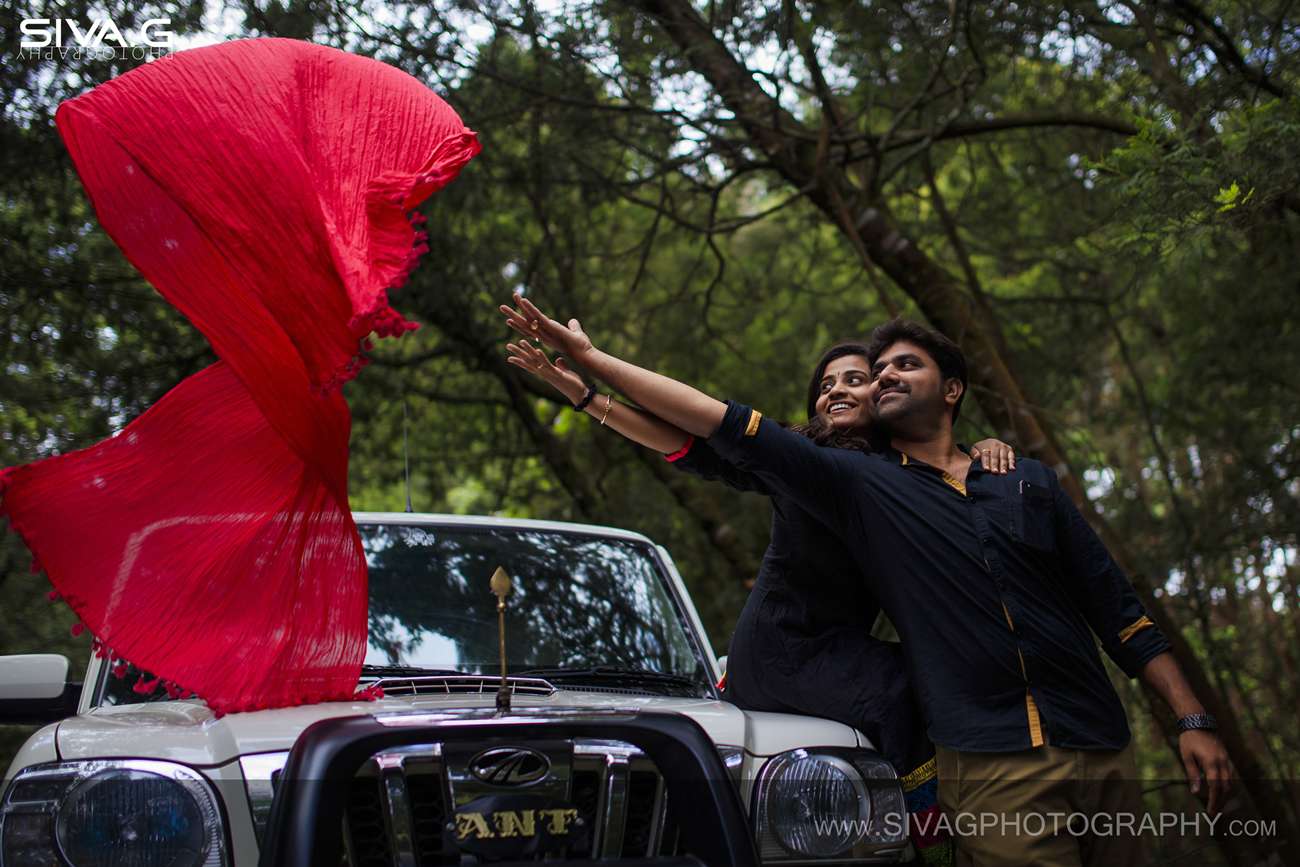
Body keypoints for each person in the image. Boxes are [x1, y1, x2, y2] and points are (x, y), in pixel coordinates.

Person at [501, 295, 1232, 867]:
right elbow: (706, 434)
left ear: (949, 391)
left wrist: (1190, 718)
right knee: (899, 686)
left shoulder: (982, 480)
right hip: (870, 693)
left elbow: (1114, 604)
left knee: (904, 678)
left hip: (1087, 737)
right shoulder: (835, 474)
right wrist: (593, 374)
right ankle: (927, 826)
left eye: (878, 374)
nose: (861, 384)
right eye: (841, 381)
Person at [503, 332, 1012, 863]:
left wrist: (982, 450)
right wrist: (587, 394)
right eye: (825, 385)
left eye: (854, 380)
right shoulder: (802, 459)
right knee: (900, 689)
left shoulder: (906, 473)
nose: (834, 391)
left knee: (946, 670)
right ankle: (929, 842)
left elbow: (951, 467)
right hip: (782, 649)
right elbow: (689, 440)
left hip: (837, 646)